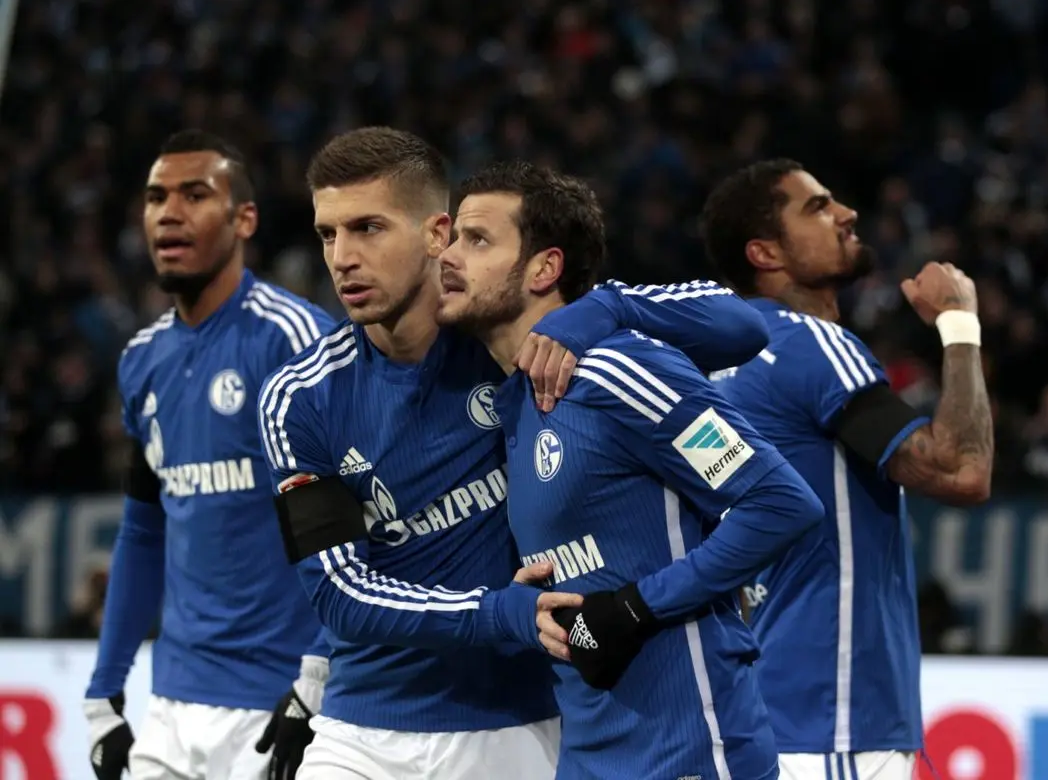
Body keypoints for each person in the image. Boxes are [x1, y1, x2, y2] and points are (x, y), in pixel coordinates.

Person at [257, 127, 774, 780]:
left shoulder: (513, 340)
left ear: (435, 234)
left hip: (522, 722)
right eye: (327, 234)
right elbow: (338, 592)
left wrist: (603, 309)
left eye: (368, 228)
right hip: (364, 729)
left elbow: (742, 324)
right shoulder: (301, 397)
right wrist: (498, 612)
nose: (343, 257)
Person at [434, 160, 827, 780]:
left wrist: (635, 607)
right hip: (587, 754)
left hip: (690, 749)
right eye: (454, 237)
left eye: (477, 240)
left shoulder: (616, 369)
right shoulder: (511, 402)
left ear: (544, 269)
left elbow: (781, 504)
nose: (450, 256)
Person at [700, 159, 995, 780]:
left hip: (753, 715)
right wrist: (959, 322)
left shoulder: (715, 365)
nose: (846, 214)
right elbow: (962, 470)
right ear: (765, 253)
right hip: (834, 722)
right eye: (816, 207)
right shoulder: (811, 345)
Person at [83, 130, 335, 780]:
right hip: (171, 707)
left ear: (243, 219)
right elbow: (143, 531)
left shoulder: (297, 343)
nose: (169, 213)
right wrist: (104, 691)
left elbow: (355, 525)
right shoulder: (141, 361)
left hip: (280, 704)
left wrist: (319, 674)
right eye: (156, 197)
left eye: (195, 195)